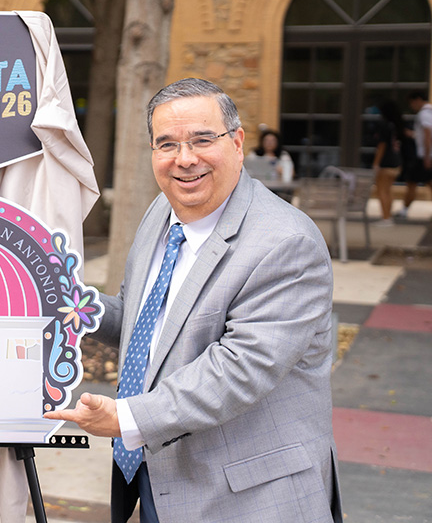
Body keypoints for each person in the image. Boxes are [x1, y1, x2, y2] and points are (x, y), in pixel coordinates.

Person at [45, 78, 341, 523]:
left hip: (252, 498)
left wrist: (129, 417)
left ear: (237, 143)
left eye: (203, 140)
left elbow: (241, 367)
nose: (184, 159)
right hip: (162, 482)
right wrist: (63, 300)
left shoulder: (286, 242)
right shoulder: (160, 214)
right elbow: (145, 324)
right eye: (167, 144)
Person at [399, 91, 432, 218]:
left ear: (417, 99)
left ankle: (405, 209)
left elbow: (428, 136)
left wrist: (427, 156)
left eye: (412, 103)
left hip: (424, 155)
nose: (412, 106)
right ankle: (405, 208)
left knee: (412, 182)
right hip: (427, 154)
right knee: (428, 182)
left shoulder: (424, 114)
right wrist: (413, 134)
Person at [372, 100, 405, 226]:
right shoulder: (395, 125)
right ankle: (388, 216)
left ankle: (385, 218)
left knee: (382, 190)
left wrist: (376, 163)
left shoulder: (384, 125)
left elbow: (382, 145)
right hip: (396, 161)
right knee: (388, 190)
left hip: (386, 163)